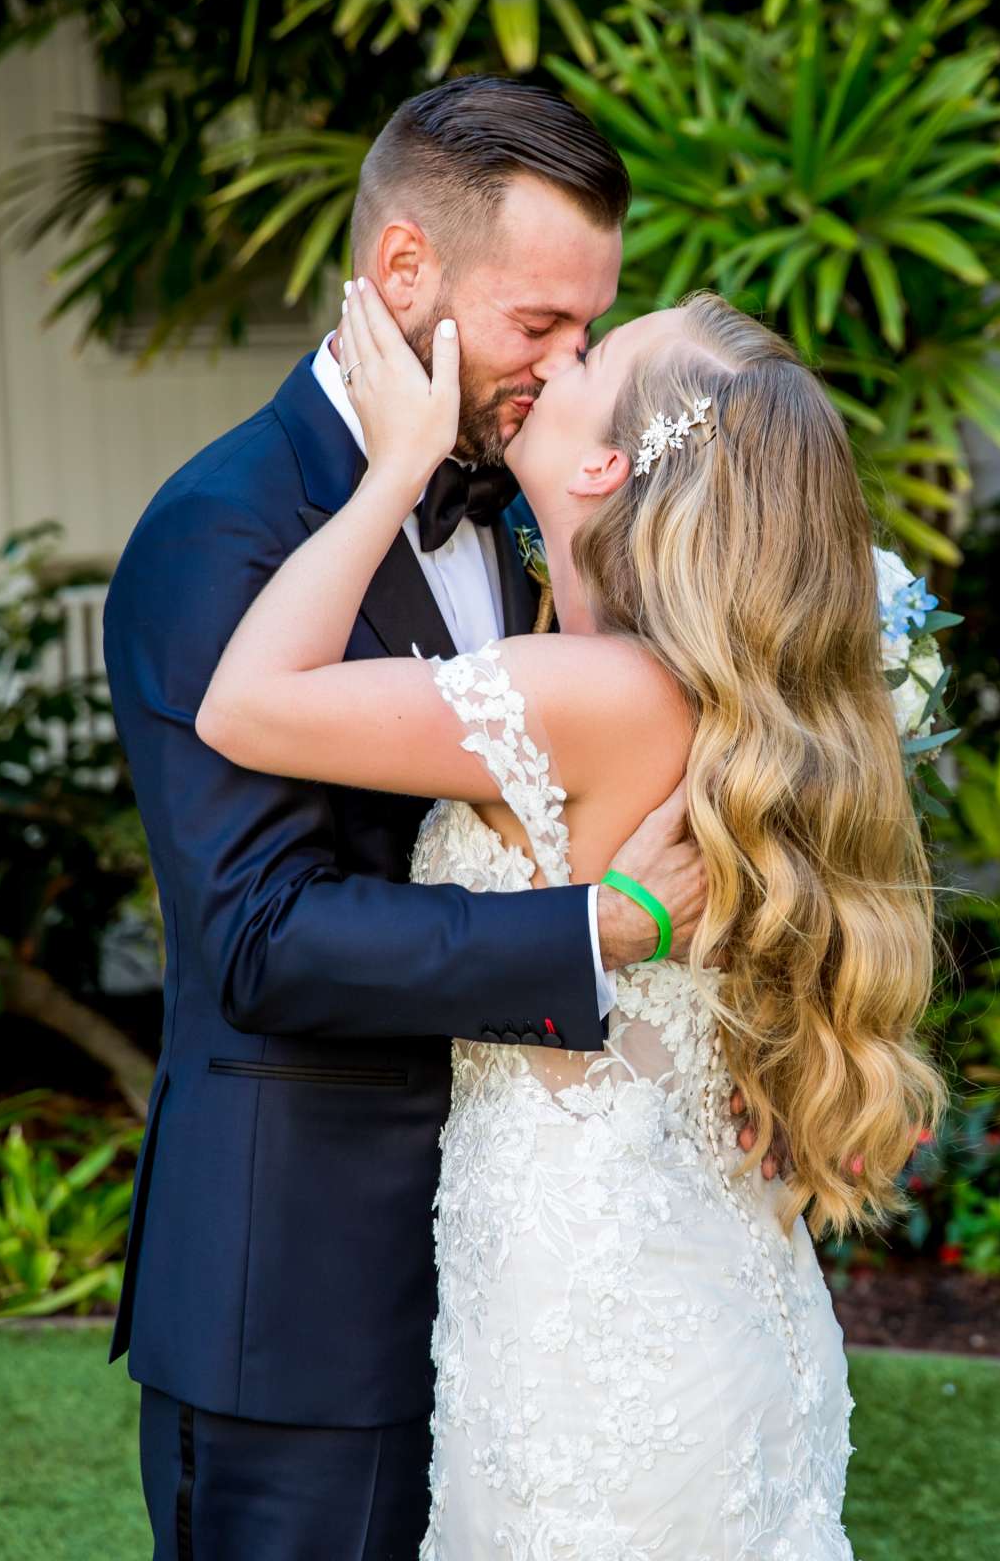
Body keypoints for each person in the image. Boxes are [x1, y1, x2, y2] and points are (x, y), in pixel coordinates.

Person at [104, 75, 770, 1557]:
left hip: (546, 1282)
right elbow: (259, 938)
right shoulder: (222, 532)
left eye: (590, 329)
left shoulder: (555, 515)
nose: (565, 364)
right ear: (405, 272)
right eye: (540, 326)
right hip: (312, 1298)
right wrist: (595, 931)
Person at [197, 268, 946, 1553]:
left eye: (592, 358)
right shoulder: (739, 703)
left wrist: (394, 471)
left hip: (595, 1330)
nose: (562, 357)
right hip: (714, 1284)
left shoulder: (581, 693)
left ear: (604, 470)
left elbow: (244, 707)